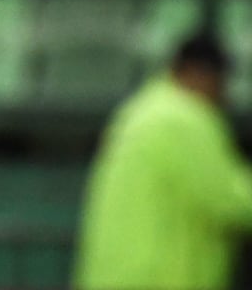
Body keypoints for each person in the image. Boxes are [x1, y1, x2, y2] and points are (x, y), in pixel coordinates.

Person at [74, 28, 252, 290]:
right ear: (200, 74)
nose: (224, 97)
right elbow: (232, 201)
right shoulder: (185, 118)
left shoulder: (140, 110)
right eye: (221, 83)